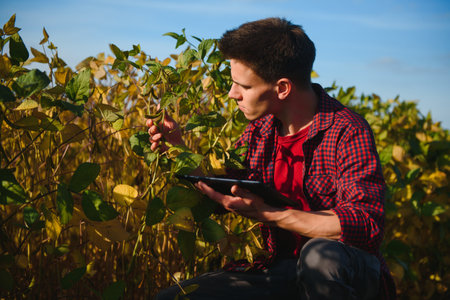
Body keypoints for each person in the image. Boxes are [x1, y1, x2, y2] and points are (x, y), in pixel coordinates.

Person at [148, 17, 396, 300]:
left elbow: (365, 223)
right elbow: (225, 192)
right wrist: (179, 150)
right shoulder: (260, 132)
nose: (232, 94)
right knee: (175, 297)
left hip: (346, 274)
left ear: (282, 88)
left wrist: (272, 215)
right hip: (282, 270)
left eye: (244, 86)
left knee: (319, 255)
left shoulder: (347, 130)